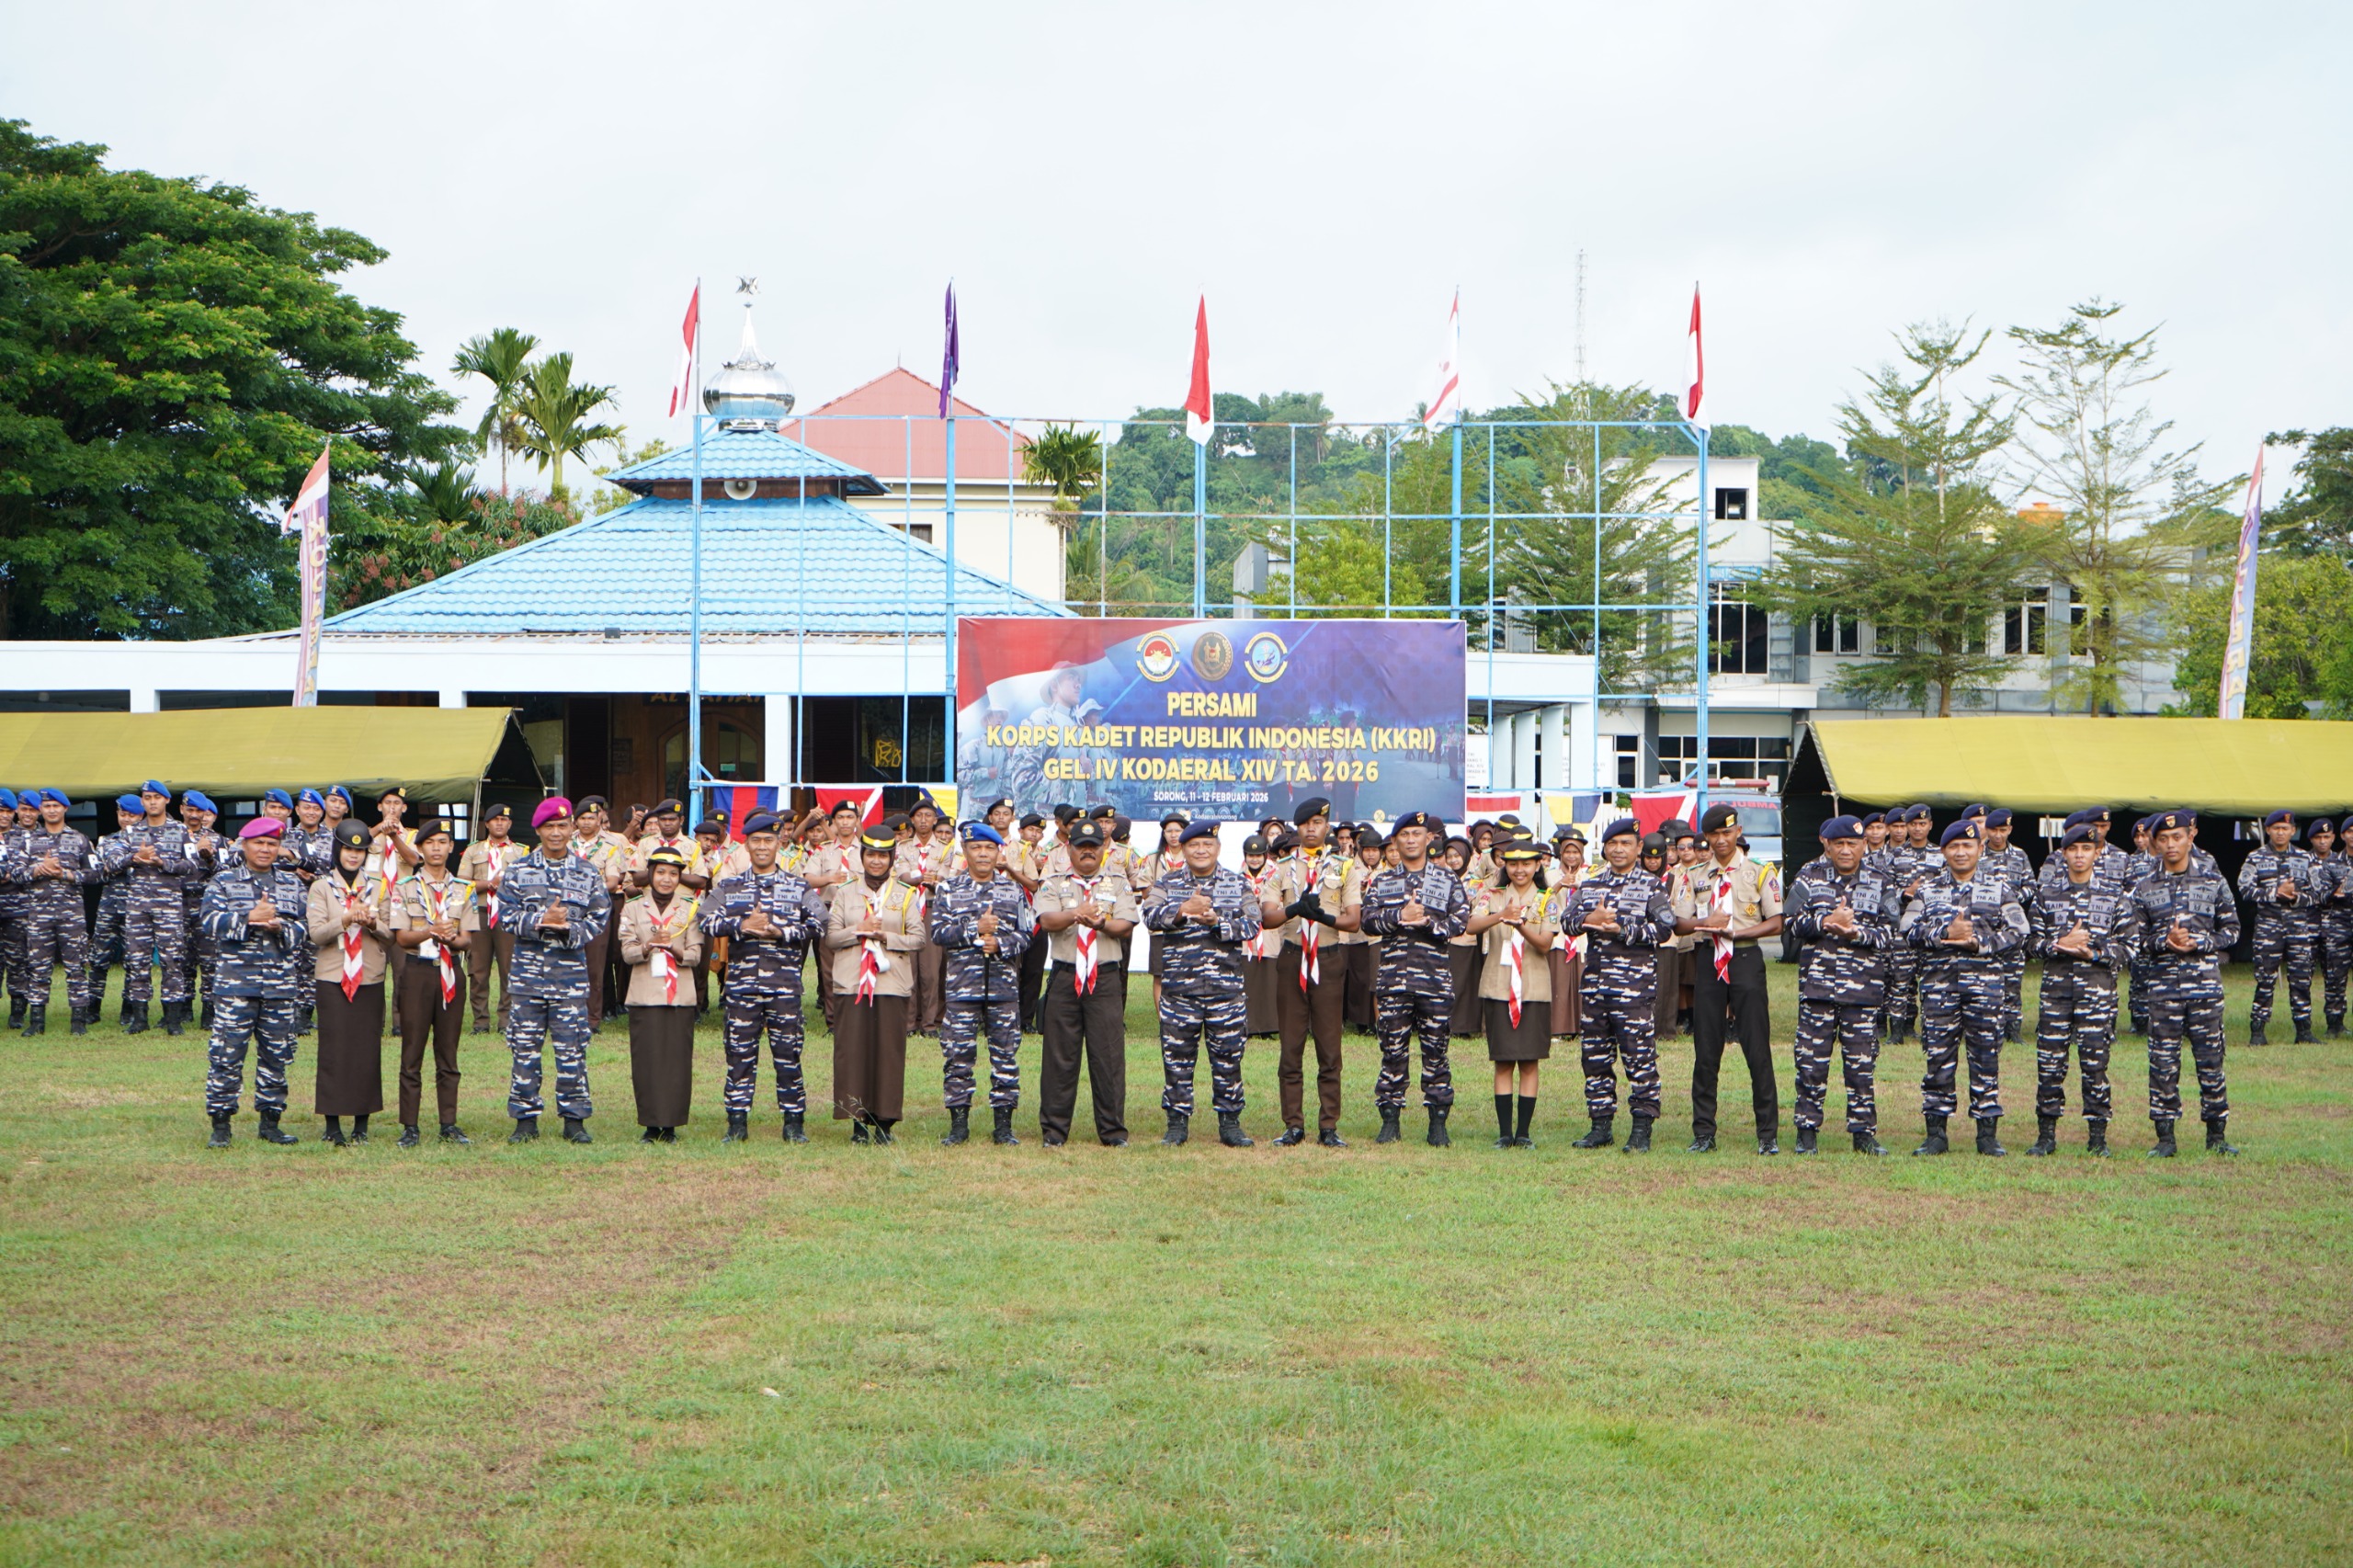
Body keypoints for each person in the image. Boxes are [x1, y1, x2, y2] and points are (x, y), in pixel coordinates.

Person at [1900, 818, 2030, 1156]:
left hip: (1985, 990)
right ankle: (1936, 1135)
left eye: (1967, 846)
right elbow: (1907, 929)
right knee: (1938, 1059)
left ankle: (1987, 1135)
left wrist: (1978, 944)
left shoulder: (2000, 889)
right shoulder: (1928, 890)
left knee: (1986, 1058)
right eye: (1954, 846)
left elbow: (2019, 930)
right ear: (1943, 851)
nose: (1961, 852)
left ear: (1980, 849)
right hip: (1939, 989)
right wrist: (1945, 936)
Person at [699, 810, 821, 1142]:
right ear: (747, 845)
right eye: (757, 841)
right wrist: (740, 926)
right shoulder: (730, 885)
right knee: (738, 1055)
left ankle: (793, 1123)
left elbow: (820, 922)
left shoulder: (797, 886)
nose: (763, 846)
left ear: (779, 843)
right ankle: (736, 1123)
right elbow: (703, 919)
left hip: (784, 987)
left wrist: (780, 931)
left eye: (769, 840)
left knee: (789, 1055)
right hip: (741, 988)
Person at [1673, 803, 1786, 1155]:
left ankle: (1767, 1134)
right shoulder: (1695, 876)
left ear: (1738, 832)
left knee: (1757, 1048)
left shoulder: (1759, 872)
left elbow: (1778, 920)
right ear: (1705, 838)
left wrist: (1738, 932)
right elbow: (1679, 923)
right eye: (1714, 835)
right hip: (1709, 960)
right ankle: (1704, 1132)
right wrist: (1705, 926)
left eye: (1727, 833)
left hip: (1746, 958)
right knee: (1706, 1049)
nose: (1721, 840)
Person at [1785, 817, 1900, 1155]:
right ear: (1828, 845)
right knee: (1811, 1064)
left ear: (1865, 845)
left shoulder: (1880, 881)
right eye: (1839, 844)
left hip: (1862, 992)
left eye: (1853, 844)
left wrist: (1855, 933)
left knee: (1862, 1065)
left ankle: (1863, 1134)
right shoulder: (1810, 875)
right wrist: (1825, 922)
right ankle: (1806, 1132)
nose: (1846, 850)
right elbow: (1789, 922)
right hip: (1818, 989)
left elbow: (1890, 933)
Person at [1142, 820, 1260, 1147]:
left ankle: (1231, 1124)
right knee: (1177, 1059)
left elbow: (1253, 924)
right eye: (1194, 845)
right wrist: (1182, 910)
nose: (1201, 850)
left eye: (1208, 845)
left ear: (1218, 848)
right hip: (1180, 992)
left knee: (1229, 1059)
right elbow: (1149, 915)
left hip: (1226, 992)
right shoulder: (1167, 882)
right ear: (1184, 848)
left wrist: (1218, 922)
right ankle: (1177, 1124)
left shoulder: (1235, 883)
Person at [1560, 820, 1677, 1151]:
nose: (1619, 849)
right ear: (1605, 848)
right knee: (1595, 1059)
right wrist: (1588, 921)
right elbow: (1567, 922)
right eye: (1613, 844)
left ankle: (1641, 1129)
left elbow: (1665, 930)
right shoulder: (1592, 884)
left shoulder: (1652, 886)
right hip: (1595, 988)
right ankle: (1600, 1126)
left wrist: (1622, 928)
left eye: (1626, 843)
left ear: (1639, 848)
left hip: (1634, 990)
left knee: (1639, 1059)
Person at [1358, 811, 1472, 1146]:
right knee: (1392, 1052)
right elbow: (1367, 921)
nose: (1410, 840)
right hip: (1393, 982)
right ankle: (1390, 1120)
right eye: (1404, 834)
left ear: (1428, 839)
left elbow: (1461, 919)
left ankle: (1438, 1122)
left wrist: (1429, 925)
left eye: (1416, 834)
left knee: (1436, 1052)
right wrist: (1399, 916)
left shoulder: (1447, 879)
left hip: (1434, 982)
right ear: (1395, 841)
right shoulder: (1382, 881)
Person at [500, 798, 610, 1145]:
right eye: (550, 827)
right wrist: (540, 922)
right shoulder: (518, 870)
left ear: (572, 829)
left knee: (572, 1050)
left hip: (569, 979)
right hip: (528, 979)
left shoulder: (587, 871)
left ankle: (574, 1120)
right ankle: (525, 1119)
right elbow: (503, 915)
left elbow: (600, 915)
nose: (557, 833)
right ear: (538, 830)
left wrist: (571, 932)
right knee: (524, 1050)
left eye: (563, 826)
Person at [2130, 809, 2239, 1156]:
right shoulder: (2144, 888)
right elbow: (2135, 938)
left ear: (2190, 838)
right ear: (2153, 842)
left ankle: (2217, 1135)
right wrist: (2165, 942)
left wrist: (2201, 943)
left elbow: (2233, 930)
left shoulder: (2212, 881)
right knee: (2163, 1062)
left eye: (2177, 837)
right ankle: (2165, 1138)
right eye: (2163, 839)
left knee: (2210, 1060)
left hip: (2205, 987)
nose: (2171, 844)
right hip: (2163, 990)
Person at [199, 819, 311, 1147]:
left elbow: (306, 927)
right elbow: (208, 922)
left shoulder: (291, 883)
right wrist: (249, 919)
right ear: (244, 845)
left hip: (279, 987)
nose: (265, 850)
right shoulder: (224, 881)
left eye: (272, 844)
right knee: (226, 1056)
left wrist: (281, 929)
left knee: (277, 1055)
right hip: (236, 986)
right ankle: (221, 1126)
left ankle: (271, 1122)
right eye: (259, 843)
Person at [2029, 821, 2138, 1157]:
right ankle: (2046, 1136)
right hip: (2056, 996)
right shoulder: (2046, 894)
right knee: (2050, 1065)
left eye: (2086, 849)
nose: (2079, 855)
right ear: (2063, 854)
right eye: (2073, 849)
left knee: (2095, 1065)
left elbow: (2131, 946)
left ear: (2096, 852)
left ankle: (2097, 1138)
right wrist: (2059, 944)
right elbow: (2030, 943)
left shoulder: (2114, 895)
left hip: (2097, 994)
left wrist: (2094, 953)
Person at [1258, 798, 1358, 1148]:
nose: (1312, 828)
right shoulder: (1280, 868)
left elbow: (1354, 918)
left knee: (1330, 1047)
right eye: (1305, 824)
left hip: (1329, 959)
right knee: (1291, 1045)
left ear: (1327, 826)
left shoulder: (1345, 867)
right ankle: (1293, 1125)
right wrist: (1295, 909)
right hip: (1292, 958)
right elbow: (1267, 917)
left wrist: (1324, 918)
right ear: (1296, 828)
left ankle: (1329, 1126)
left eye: (1318, 822)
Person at [1033, 819, 1138, 1147]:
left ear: (1104, 849)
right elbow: (1047, 920)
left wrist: (1101, 922)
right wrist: (1076, 914)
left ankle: (1112, 1132)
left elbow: (1126, 925)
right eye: (1082, 847)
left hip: (1104, 978)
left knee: (1107, 1056)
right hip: (1065, 976)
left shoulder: (1118, 883)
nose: (1088, 852)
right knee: (1059, 1056)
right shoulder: (1052, 883)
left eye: (1094, 847)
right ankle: (1054, 1131)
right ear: (1070, 849)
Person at [927, 822, 1034, 1144]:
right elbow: (937, 933)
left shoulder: (1012, 890)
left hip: (1003, 989)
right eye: (976, 848)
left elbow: (1027, 933)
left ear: (998, 851)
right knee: (958, 1056)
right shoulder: (948, 888)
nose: (983, 854)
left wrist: (1002, 945)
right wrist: (975, 928)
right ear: (966, 850)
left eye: (989, 848)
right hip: (962, 988)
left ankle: (1003, 1126)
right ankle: (959, 1124)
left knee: (1005, 1056)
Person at [825, 826, 926, 1144]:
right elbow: (831, 937)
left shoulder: (905, 894)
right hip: (852, 982)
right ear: (863, 856)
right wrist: (860, 929)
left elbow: (919, 939)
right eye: (871, 854)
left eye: (883, 856)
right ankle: (858, 1123)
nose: (877, 861)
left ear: (892, 858)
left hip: (890, 983)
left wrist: (885, 936)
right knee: (852, 1053)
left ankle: (884, 1123)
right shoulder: (845, 893)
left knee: (888, 1055)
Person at [387, 817, 476, 1146]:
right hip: (417, 971)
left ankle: (448, 1123)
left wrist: (451, 939)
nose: (436, 849)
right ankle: (410, 1126)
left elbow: (468, 939)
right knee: (412, 1051)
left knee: (448, 1052)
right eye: (430, 843)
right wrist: (431, 931)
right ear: (420, 848)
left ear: (451, 848)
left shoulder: (464, 888)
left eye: (442, 842)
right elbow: (401, 937)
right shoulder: (405, 888)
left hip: (451, 970)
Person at [1465, 839, 1557, 1149]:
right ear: (1505, 865)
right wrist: (1500, 915)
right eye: (1513, 864)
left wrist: (1520, 926)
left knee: (1530, 1061)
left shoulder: (1548, 899)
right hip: (1498, 986)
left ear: (1537, 866)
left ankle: (1524, 1133)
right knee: (1503, 1061)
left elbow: (1544, 944)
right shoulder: (1490, 894)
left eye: (1527, 864)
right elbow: (1471, 926)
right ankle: (1505, 1133)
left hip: (1533, 988)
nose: (1520, 870)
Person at [306, 819, 392, 1146]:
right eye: (348, 849)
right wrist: (343, 919)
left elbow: (390, 936)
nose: (353, 856)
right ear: (337, 850)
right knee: (334, 1049)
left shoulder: (377, 885)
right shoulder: (322, 887)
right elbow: (316, 934)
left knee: (366, 1050)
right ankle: (332, 1124)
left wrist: (373, 923)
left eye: (360, 850)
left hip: (369, 975)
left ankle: (361, 1124)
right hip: (333, 975)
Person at [619, 845, 703, 1142]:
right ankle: (651, 1124)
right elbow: (627, 953)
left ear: (680, 877)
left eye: (673, 874)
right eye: (660, 872)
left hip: (679, 994)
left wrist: (675, 949)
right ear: (651, 874)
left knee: (677, 1062)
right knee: (647, 1061)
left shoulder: (690, 907)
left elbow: (695, 955)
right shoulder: (632, 907)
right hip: (645, 993)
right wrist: (648, 945)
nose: (666, 879)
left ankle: (671, 1126)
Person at [101, 778, 196, 1035]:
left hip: (169, 905)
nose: (152, 802)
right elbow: (109, 864)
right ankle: (139, 1018)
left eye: (157, 797)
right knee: (136, 960)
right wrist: (134, 858)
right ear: (143, 802)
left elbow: (193, 866)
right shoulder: (131, 832)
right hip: (138, 906)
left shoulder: (181, 831)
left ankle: (173, 1019)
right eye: (147, 798)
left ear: (166, 800)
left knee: (172, 960)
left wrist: (162, 863)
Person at [16, 790, 97, 1035]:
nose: (51, 810)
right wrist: (40, 869)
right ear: (41, 809)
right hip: (38, 915)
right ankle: (36, 1022)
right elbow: (16, 874)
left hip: (71, 915)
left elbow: (96, 874)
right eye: (47, 805)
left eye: (56, 806)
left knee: (76, 967)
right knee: (38, 967)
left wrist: (66, 874)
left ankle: (78, 1021)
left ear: (65, 808)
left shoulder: (80, 840)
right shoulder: (28, 841)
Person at [2237, 808, 2321, 1045]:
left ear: (2293, 831)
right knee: (2265, 979)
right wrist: (2276, 893)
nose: (2281, 833)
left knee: (2302, 979)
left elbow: (2317, 893)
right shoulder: (2256, 857)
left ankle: (2304, 1032)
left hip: (2298, 928)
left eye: (2285, 829)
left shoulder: (2306, 858)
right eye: (2276, 829)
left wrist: (2296, 898)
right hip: (2268, 927)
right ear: (2268, 830)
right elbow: (2244, 889)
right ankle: (2258, 1032)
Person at [458, 803, 527, 1035]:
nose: (500, 823)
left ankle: (506, 1021)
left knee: (509, 968)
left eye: (504, 820)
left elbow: (527, 885)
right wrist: (489, 884)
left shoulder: (521, 852)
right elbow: (462, 883)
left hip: (508, 913)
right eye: (495, 820)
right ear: (486, 824)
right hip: (479, 913)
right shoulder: (473, 851)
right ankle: (480, 1022)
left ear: (510, 824)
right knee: (478, 970)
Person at [1981, 808, 2036, 1042]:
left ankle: (2013, 1030)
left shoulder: (2020, 855)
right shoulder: (1977, 854)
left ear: (2010, 830)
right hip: (1985, 928)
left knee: (2012, 980)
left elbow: (2032, 887)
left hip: (2012, 929)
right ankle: (1986, 1028)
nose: (1998, 835)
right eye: (1993, 830)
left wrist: (2012, 897)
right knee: (1984, 980)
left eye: (2003, 830)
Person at [87, 795, 141, 1012]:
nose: (127, 819)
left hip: (136, 907)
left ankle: (129, 1009)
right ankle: (92, 1006)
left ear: (141, 815)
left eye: (132, 815)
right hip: (109, 906)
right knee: (99, 957)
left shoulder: (149, 841)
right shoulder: (107, 841)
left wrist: (117, 865)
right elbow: (100, 872)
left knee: (133, 960)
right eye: (122, 814)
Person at [1544, 830, 1586, 1041]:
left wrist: (1579, 886)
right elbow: (1541, 900)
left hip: (1581, 937)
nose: (1571, 856)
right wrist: (1560, 884)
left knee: (1582, 981)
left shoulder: (1588, 876)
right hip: (1559, 936)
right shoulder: (1549, 875)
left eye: (1575, 852)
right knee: (1559, 982)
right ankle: (1558, 1028)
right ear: (1560, 854)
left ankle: (1581, 1028)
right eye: (1567, 852)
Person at [1237, 834, 1281, 1037]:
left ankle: (1269, 1026)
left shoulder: (1276, 875)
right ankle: (1249, 1025)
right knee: (1249, 980)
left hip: (1270, 934)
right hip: (1246, 937)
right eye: (1250, 855)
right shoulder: (1238, 877)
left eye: (1258, 855)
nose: (1254, 859)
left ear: (1265, 855)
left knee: (1269, 980)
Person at [2315, 816, 2353, 1038]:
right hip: (2339, 927)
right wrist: (2333, 894)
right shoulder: (2332, 863)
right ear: (2343, 836)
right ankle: (2334, 1023)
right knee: (2335, 976)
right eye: (2350, 831)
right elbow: (2320, 894)